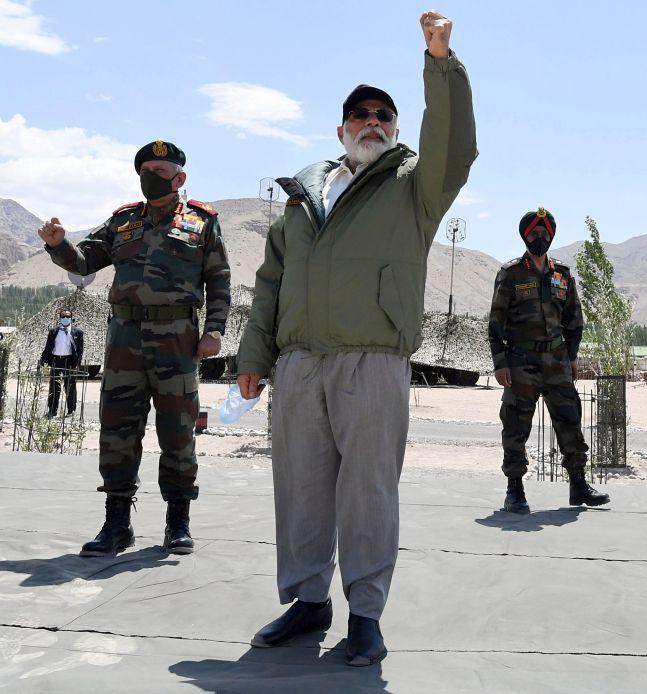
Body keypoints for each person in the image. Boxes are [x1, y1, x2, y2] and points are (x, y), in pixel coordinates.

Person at [236, 11, 477, 666]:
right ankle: (308, 600)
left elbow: (454, 149)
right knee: (302, 488)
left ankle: (365, 614)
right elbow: (270, 284)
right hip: (298, 366)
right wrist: (257, 359)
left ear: (396, 129)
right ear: (340, 130)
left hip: (371, 363)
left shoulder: (413, 188)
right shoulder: (301, 200)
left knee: (368, 489)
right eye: (360, 115)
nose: (374, 122)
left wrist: (440, 64)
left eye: (385, 116)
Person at [37, 140, 231, 556]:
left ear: (180, 177)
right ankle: (117, 524)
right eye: (146, 168)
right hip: (124, 338)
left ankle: (177, 523)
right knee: (118, 429)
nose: (152, 176)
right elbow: (85, 261)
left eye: (161, 170)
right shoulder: (122, 221)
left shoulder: (203, 223)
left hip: (177, 339)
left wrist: (214, 331)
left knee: (178, 432)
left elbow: (219, 281)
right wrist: (58, 245)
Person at [488, 207, 610, 513]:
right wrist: (500, 362)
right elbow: (496, 322)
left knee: (570, 421)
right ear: (525, 236)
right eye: (534, 233)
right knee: (516, 424)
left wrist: (571, 357)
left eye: (545, 233)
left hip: (557, 361)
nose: (540, 237)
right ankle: (514, 490)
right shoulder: (511, 273)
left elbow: (574, 320)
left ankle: (578, 486)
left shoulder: (562, 275)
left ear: (551, 236)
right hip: (521, 361)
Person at [40, 307, 84, 417]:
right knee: (54, 387)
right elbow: (48, 347)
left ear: (71, 318)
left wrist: (77, 364)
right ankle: (52, 410)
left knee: (70, 386)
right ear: (60, 318)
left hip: (69, 361)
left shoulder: (77, 332)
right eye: (63, 316)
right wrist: (43, 360)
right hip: (55, 360)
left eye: (68, 317)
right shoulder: (54, 331)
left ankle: (71, 410)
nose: (65, 318)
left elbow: (80, 350)